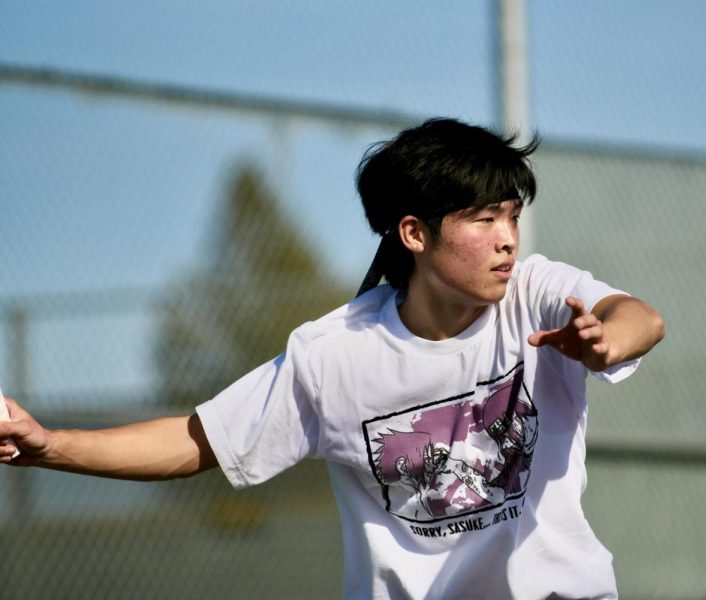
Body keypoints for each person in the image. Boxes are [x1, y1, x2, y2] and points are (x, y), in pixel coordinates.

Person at [0, 118, 664, 599]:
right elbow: (195, 440)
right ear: (414, 233)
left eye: (512, 217)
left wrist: (607, 338)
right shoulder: (333, 354)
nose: (507, 240)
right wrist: (48, 445)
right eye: (484, 219)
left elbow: (640, 318)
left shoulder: (535, 294)